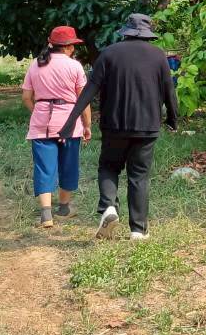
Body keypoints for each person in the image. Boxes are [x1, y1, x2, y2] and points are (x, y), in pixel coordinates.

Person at [60, 14, 177, 241]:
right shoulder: (158, 56)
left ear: (126, 31)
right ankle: (138, 230)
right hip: (147, 126)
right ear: (146, 33)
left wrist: (69, 122)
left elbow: (89, 91)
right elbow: (168, 90)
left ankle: (109, 207)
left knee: (109, 166)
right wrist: (173, 118)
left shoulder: (109, 54)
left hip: (114, 125)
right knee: (139, 176)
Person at [23, 26, 91, 229]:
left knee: (44, 167)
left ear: (51, 43)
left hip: (42, 122)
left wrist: (39, 111)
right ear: (69, 47)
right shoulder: (75, 67)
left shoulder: (35, 65)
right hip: (69, 122)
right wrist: (87, 125)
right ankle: (64, 208)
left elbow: (27, 98)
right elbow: (84, 101)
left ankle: (46, 214)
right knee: (68, 165)